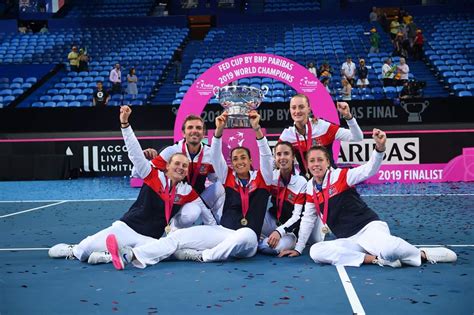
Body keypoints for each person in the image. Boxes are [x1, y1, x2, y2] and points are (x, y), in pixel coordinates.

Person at [105, 110, 274, 270]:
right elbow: (215, 155)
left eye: (243, 158)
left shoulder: (263, 178)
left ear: (251, 160)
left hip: (248, 238)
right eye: (235, 159)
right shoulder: (227, 177)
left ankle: (203, 256)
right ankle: (132, 254)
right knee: (178, 237)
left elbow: (266, 156)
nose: (239, 162)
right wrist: (219, 130)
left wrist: (257, 129)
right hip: (223, 232)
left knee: (245, 233)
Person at [48, 105, 216, 264]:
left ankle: (109, 256)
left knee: (165, 248)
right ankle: (75, 250)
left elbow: (205, 213)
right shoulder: (152, 175)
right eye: (177, 164)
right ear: (167, 165)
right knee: (85, 250)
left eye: (184, 166)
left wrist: (216, 236)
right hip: (126, 228)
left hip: (150, 238)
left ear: (187, 171)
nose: (180, 167)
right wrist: (125, 125)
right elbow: (135, 153)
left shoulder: (187, 191)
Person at [279, 129, 458, 268]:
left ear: (327, 162)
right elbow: (308, 219)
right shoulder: (310, 187)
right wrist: (298, 248)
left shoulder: (342, 176)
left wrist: (379, 149)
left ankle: (423, 254)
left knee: (390, 250)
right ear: (307, 165)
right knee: (317, 251)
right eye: (312, 161)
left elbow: (368, 169)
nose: (316, 164)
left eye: (320, 160)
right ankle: (373, 259)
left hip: (368, 229)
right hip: (349, 239)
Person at [134, 114, 225, 224]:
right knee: (192, 214)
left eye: (198, 128)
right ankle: (176, 227)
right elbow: (139, 173)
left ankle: (219, 225)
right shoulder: (172, 151)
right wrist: (143, 159)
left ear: (203, 134)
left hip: (198, 198)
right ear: (183, 133)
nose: (194, 131)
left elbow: (218, 178)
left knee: (223, 186)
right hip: (176, 199)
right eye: (190, 127)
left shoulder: (210, 153)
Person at [279, 95, 363, 176]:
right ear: (290, 110)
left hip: (331, 180)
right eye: (293, 108)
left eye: (301, 107)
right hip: (307, 182)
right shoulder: (287, 135)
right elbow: (276, 161)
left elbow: (357, 137)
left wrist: (348, 116)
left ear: (309, 109)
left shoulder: (323, 127)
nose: (297, 111)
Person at [257, 141, 307, 255]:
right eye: (279, 154)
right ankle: (256, 238)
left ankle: (260, 241)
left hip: (290, 230)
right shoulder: (272, 177)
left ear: (293, 157)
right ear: (275, 157)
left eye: (286, 153)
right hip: (273, 221)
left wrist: (279, 232)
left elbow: (297, 216)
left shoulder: (301, 182)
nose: (282, 157)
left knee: (272, 248)